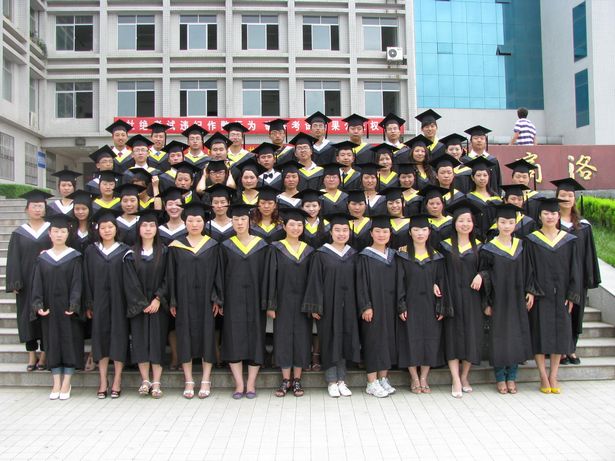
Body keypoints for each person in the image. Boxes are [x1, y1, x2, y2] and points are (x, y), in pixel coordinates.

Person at [479, 203, 537, 394]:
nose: (506, 226)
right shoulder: (488, 248)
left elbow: (529, 270)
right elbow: (484, 275)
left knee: (516, 336)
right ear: (497, 223)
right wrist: (487, 303)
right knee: (499, 337)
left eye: (511, 222)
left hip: (517, 299)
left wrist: (530, 291)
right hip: (498, 300)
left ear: (515, 224)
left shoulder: (522, 246)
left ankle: (512, 376)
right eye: (503, 222)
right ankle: (500, 377)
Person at [167, 202, 223, 399]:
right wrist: (173, 300)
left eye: (198, 220)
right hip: (184, 299)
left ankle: (206, 379)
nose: (194, 224)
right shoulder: (176, 246)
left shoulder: (212, 245)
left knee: (208, 336)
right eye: (190, 220)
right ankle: (189, 380)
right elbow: (171, 276)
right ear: (185, 222)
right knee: (185, 336)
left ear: (204, 222)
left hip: (206, 300)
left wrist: (217, 298)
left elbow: (218, 274)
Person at [302, 213, 361, 398]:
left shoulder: (354, 255)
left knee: (344, 341)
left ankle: (342, 380)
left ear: (349, 232)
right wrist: (315, 306)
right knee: (329, 341)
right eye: (337, 230)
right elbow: (315, 281)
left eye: (345, 230)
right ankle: (331, 381)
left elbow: (359, 282)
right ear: (331, 232)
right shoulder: (321, 254)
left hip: (348, 306)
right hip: (327, 307)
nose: (341, 233)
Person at [526, 198, 581, 394]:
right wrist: (530, 290)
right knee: (539, 334)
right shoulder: (531, 240)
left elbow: (575, 269)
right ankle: (542, 375)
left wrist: (572, 294)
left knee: (560, 335)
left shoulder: (569, 240)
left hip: (561, 296)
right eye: (546, 213)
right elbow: (528, 268)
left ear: (558, 216)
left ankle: (553, 375)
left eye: (553, 213)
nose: (550, 217)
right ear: (540, 216)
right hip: (540, 295)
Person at [31, 214, 84, 400]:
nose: (59, 234)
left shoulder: (75, 257)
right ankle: (56, 383)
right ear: (50, 234)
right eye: (55, 231)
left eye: (62, 231)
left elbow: (78, 283)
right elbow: (37, 283)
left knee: (69, 343)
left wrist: (74, 304)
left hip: (68, 310)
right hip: (50, 309)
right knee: (52, 343)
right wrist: (38, 304)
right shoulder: (43, 258)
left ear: (68, 234)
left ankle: (66, 382)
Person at [397, 213, 451, 394]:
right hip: (410, 304)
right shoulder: (402, 255)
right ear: (410, 232)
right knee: (409, 339)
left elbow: (442, 282)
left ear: (429, 232)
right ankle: (414, 377)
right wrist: (401, 305)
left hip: (430, 304)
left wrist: (441, 304)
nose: (420, 233)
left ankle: (424, 377)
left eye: (424, 230)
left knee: (430, 338)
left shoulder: (437, 256)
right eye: (416, 230)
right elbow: (399, 282)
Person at [220, 204, 269, 399]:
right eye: (236, 220)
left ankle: (251, 384)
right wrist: (220, 300)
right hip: (233, 300)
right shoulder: (225, 246)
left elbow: (266, 276)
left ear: (250, 222)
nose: (239, 223)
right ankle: (239, 384)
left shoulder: (262, 245)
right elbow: (219, 275)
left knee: (256, 339)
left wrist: (267, 301)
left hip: (256, 300)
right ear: (231, 222)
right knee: (234, 340)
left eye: (243, 219)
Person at [265, 208, 314, 397]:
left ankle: (298, 380)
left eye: (299, 225)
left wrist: (312, 305)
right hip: (283, 302)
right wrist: (271, 304)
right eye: (292, 224)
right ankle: (286, 380)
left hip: (303, 304)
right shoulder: (276, 248)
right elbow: (270, 277)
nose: (295, 228)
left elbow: (313, 280)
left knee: (302, 339)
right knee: (283, 338)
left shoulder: (309, 250)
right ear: (284, 226)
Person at [552, 178, 601, 365]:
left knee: (576, 313)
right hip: (557, 277)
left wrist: (588, 277)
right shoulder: (551, 223)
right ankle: (560, 350)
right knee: (559, 313)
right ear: (557, 197)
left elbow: (589, 253)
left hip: (577, 277)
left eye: (570, 196)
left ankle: (571, 348)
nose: (566, 199)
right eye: (562, 195)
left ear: (574, 199)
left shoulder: (583, 226)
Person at [83, 209, 130, 399]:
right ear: (98, 230)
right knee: (100, 340)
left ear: (116, 229)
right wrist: (89, 303)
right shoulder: (91, 251)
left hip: (120, 303)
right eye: (103, 227)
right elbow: (86, 278)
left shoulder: (125, 250)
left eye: (110, 227)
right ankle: (103, 380)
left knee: (119, 339)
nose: (107, 230)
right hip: (99, 302)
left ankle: (117, 379)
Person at [123, 209, 169, 399]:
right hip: (139, 307)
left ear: (157, 229)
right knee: (140, 341)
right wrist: (142, 303)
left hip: (159, 306)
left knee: (157, 342)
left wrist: (158, 298)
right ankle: (145, 380)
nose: (148, 229)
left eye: (152, 225)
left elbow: (168, 278)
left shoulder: (165, 252)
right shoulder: (130, 254)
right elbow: (129, 281)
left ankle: (156, 382)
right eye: (144, 225)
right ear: (139, 229)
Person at [440, 200, 484, 398]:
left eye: (468, 221)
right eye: (461, 220)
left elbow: (488, 269)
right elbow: (437, 269)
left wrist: (482, 275)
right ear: (454, 223)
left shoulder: (480, 247)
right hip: (451, 297)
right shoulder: (444, 246)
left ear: (473, 224)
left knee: (471, 336)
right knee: (452, 337)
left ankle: (465, 376)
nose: (465, 224)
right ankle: (455, 378)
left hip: (473, 298)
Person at [6, 189, 53, 371]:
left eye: (40, 206)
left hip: (47, 281)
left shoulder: (52, 230)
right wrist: (15, 282)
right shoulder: (19, 233)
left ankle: (44, 355)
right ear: (27, 209)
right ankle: (32, 355)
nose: (37, 209)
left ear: (45, 208)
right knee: (27, 319)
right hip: (26, 282)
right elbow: (13, 259)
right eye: (34, 206)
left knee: (46, 317)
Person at [356, 215, 399, 398]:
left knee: (387, 341)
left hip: (390, 306)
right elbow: (361, 284)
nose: (382, 235)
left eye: (385, 231)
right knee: (373, 342)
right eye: (378, 231)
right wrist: (366, 306)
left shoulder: (394, 256)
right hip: (373, 306)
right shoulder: (364, 256)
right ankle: (371, 382)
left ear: (390, 234)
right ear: (371, 233)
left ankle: (383, 378)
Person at [464, 157, 502, 238]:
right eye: (478, 175)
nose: (482, 178)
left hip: (493, 238)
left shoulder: (497, 199)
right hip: (473, 238)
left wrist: (491, 235)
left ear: (489, 177)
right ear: (472, 178)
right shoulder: (468, 198)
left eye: (485, 175)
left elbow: (499, 219)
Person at [463, 125, 501, 193]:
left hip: (491, 198)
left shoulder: (493, 161)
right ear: (470, 141)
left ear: (486, 141)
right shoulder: (464, 161)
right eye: (476, 138)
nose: (479, 140)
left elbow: (498, 182)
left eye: (482, 138)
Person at [419, 185, 452, 250]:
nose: (435, 206)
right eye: (431, 203)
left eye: (438, 203)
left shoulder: (451, 222)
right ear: (426, 205)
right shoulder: (422, 223)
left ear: (443, 205)